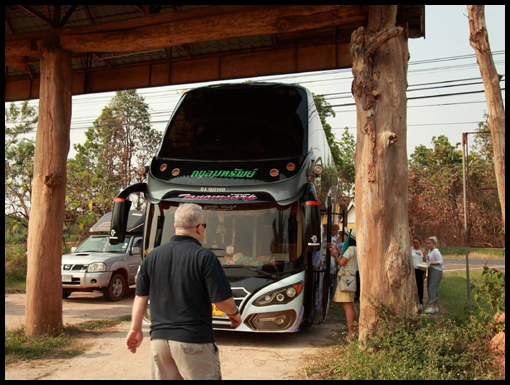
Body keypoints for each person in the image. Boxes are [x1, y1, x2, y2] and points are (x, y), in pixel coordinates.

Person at [125, 203, 242, 380]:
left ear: (175, 226)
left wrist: (135, 328)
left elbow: (140, 297)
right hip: (193, 341)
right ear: (200, 228)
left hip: (159, 342)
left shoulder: (153, 256)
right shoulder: (205, 257)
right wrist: (234, 313)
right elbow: (222, 302)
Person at [327, 228, 359, 338]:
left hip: (346, 279)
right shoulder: (354, 249)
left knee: (347, 306)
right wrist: (333, 249)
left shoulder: (350, 249)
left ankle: (350, 333)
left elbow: (341, 261)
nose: (344, 237)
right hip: (350, 278)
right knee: (351, 304)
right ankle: (355, 330)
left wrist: (336, 256)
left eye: (345, 235)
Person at [425, 236, 444, 314]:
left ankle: (431, 306)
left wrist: (431, 263)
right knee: (433, 288)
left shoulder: (436, 252)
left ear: (434, 244)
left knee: (431, 288)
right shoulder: (430, 251)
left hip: (436, 271)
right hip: (431, 270)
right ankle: (435, 305)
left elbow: (440, 261)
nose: (428, 245)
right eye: (427, 243)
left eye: (430, 244)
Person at [411, 235, 427, 311]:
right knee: (413, 286)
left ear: (420, 243)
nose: (415, 244)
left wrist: (425, 273)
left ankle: (420, 302)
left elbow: (425, 261)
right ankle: (412, 302)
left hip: (420, 270)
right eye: (414, 243)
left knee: (420, 286)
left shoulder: (423, 250)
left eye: (417, 243)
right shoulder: (411, 250)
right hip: (413, 270)